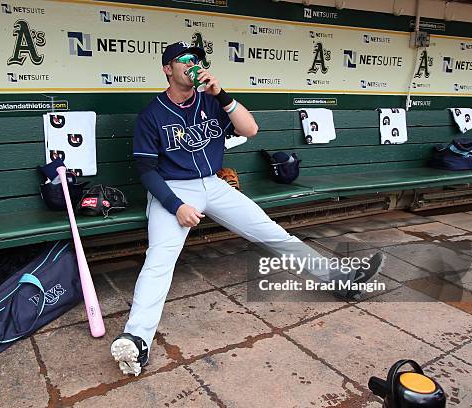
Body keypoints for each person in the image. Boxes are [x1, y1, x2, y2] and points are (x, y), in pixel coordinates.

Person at [110, 41, 384, 376]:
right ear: (168, 68)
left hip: (212, 182)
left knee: (271, 231)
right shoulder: (152, 115)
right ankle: (137, 341)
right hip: (173, 188)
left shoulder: (211, 102)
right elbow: (147, 171)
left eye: (196, 59)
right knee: (159, 261)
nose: (192, 64)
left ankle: (340, 279)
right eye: (184, 60)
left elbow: (249, 129)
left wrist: (221, 94)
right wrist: (175, 205)